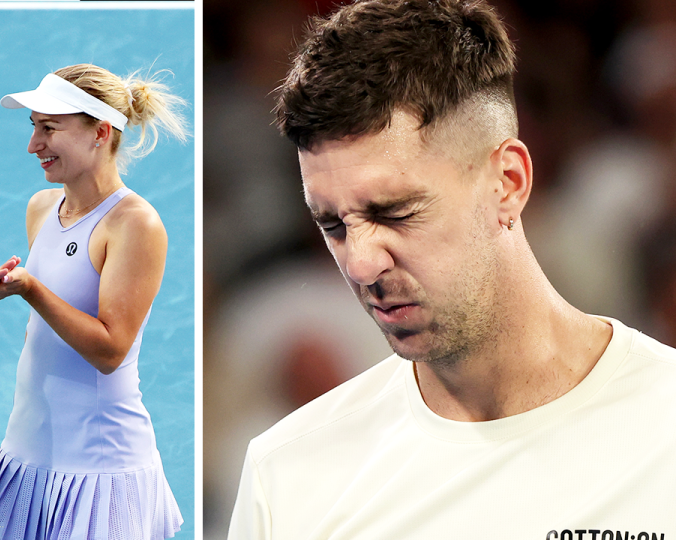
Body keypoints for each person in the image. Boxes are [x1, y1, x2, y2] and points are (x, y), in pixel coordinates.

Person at [228, 0, 676, 538]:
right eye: (333, 225)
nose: (362, 262)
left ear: (507, 182)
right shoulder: (287, 476)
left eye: (395, 212)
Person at [0, 64, 187, 539]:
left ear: (100, 132)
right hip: (29, 453)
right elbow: (43, 331)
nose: (33, 144)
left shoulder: (134, 224)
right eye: (33, 127)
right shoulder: (41, 208)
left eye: (49, 128)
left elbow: (110, 350)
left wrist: (31, 290)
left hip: (99, 464)